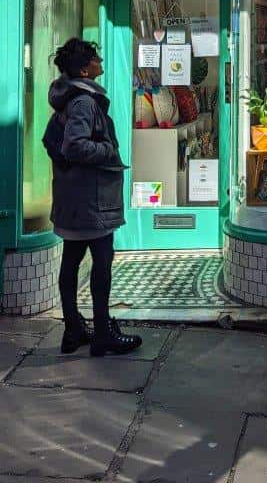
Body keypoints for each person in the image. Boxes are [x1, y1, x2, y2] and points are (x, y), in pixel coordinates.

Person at [43, 38, 142, 357]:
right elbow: (74, 145)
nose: (101, 62)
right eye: (97, 59)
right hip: (91, 200)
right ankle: (101, 333)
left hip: (74, 197)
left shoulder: (68, 97)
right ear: (85, 70)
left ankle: (74, 330)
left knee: (72, 261)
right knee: (101, 264)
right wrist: (108, 151)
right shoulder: (84, 102)